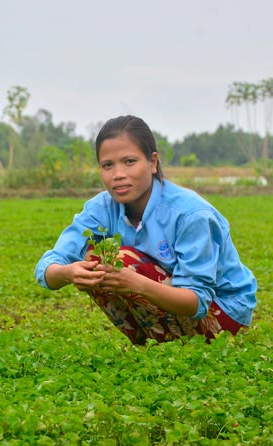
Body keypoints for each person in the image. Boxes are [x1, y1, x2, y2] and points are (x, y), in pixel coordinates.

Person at [35, 115, 257, 345]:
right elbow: (51, 263)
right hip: (168, 301)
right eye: (107, 165)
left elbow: (197, 302)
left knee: (121, 259)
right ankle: (154, 344)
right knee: (95, 258)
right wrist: (67, 273)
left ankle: (170, 346)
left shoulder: (190, 214)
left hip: (223, 314)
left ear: (152, 163)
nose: (118, 174)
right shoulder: (101, 207)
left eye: (129, 161)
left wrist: (135, 283)